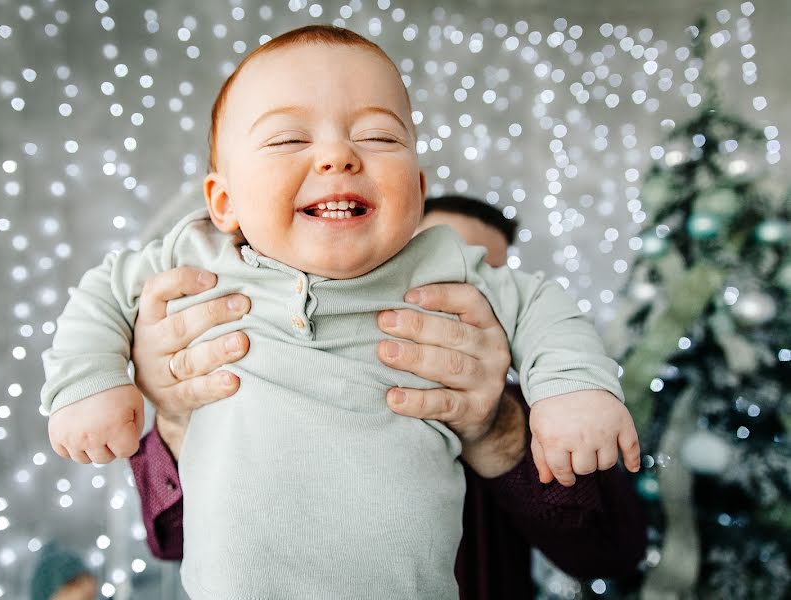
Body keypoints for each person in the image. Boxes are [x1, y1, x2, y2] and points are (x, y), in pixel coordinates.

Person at [40, 26, 639, 598]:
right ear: (225, 201)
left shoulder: (440, 263)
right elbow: (103, 293)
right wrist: (97, 385)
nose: (338, 155)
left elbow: (539, 306)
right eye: (287, 139)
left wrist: (569, 389)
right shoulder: (196, 261)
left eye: (379, 137)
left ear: (416, 193)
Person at [128, 195, 648, 599]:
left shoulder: (542, 410)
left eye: (487, 282)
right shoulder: (265, 375)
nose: (465, 299)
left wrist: (497, 429)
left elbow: (612, 551)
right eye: (443, 271)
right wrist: (176, 419)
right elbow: (172, 540)